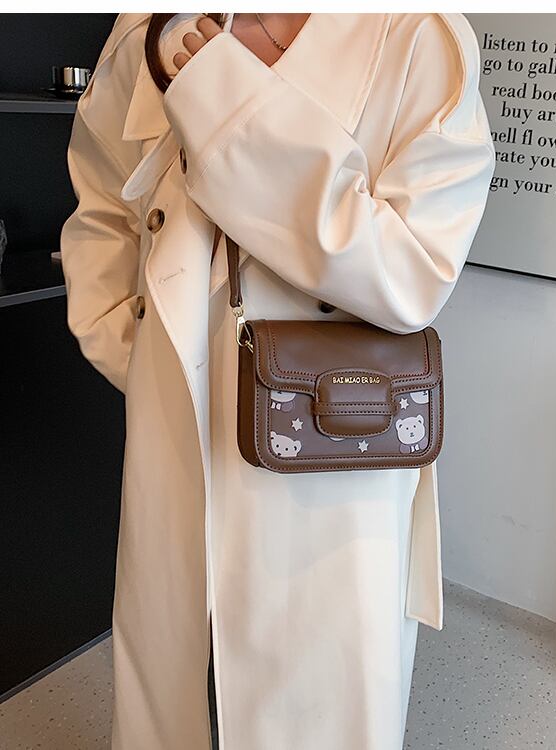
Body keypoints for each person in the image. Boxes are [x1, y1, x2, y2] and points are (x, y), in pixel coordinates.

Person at [60, 12, 495, 750]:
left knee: (319, 700)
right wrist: (141, 356)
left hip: (331, 443)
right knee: (168, 682)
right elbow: (103, 204)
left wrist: (228, 109)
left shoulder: (417, 33)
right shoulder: (155, 25)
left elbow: (415, 272)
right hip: (176, 435)